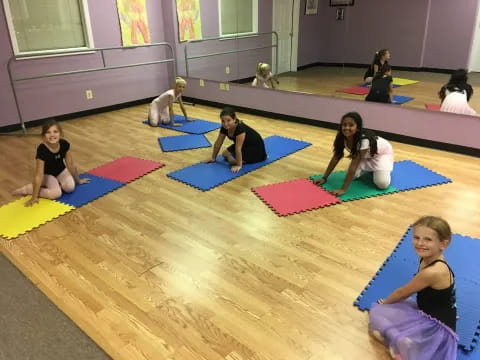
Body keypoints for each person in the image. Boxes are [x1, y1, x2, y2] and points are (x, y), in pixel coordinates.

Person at [369, 216, 458, 360]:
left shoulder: (433, 272)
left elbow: (402, 292)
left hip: (437, 328)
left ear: (443, 244)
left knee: (377, 313)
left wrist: (384, 303)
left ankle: (404, 347)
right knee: (398, 311)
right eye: (416, 237)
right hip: (430, 310)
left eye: (428, 239)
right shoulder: (432, 257)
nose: (420, 243)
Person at [313, 112, 393, 196]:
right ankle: (371, 170)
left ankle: (381, 169)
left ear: (357, 128)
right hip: (364, 156)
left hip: (380, 155)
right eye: (344, 125)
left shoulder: (363, 141)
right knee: (351, 176)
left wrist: (343, 189)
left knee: (382, 184)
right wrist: (324, 178)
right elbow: (336, 157)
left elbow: (353, 164)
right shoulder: (341, 137)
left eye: (351, 125)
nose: (347, 128)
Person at [12, 120, 89, 206]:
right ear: (44, 136)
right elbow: (39, 175)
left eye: (55, 132)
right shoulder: (42, 150)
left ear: (60, 133)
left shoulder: (64, 144)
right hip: (48, 175)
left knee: (70, 188)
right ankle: (28, 189)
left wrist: (78, 180)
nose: (52, 135)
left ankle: (58, 183)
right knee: (56, 194)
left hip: (60, 171)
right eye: (48, 132)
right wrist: (34, 197)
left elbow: (70, 165)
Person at [207, 107, 267, 173]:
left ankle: (240, 160)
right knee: (224, 154)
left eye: (228, 120)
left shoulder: (240, 128)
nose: (225, 124)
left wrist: (239, 165)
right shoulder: (224, 127)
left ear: (234, 119)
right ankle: (235, 157)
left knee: (232, 162)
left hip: (254, 147)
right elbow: (218, 143)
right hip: (244, 144)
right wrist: (213, 158)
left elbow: (238, 148)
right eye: (223, 121)